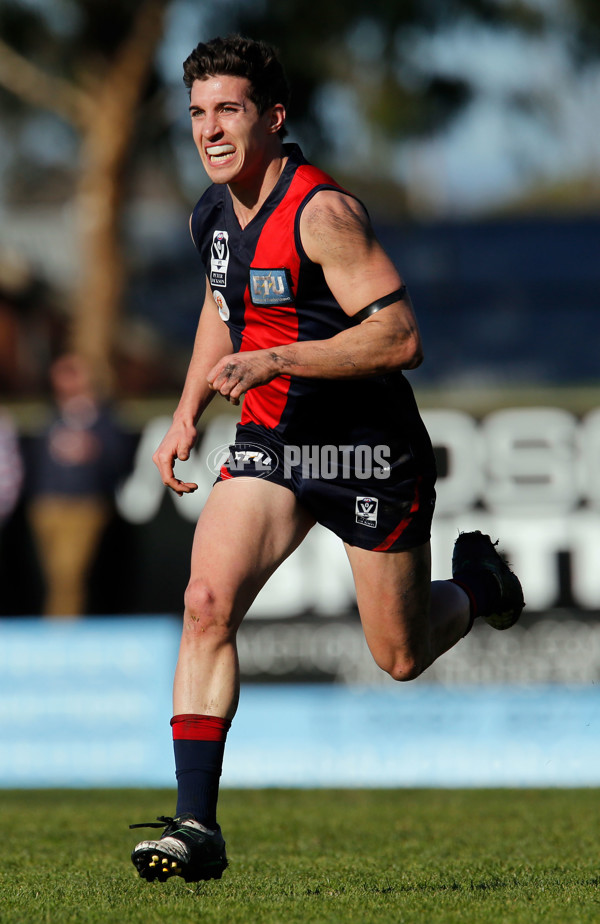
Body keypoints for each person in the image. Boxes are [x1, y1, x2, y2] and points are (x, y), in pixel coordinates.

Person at [130, 35, 524, 883]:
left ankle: (484, 588)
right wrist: (186, 411)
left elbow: (400, 335)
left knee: (401, 655)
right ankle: (197, 825)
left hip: (368, 451)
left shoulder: (324, 214)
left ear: (273, 118)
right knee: (205, 604)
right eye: (197, 112)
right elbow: (220, 304)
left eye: (228, 109)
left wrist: (276, 360)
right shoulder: (211, 212)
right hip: (272, 443)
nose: (209, 129)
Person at [27, 353, 132, 617]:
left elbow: (119, 458)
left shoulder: (104, 417)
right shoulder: (50, 415)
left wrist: (93, 450)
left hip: (84, 504)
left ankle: (61, 629)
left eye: (73, 373)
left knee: (69, 572)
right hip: (46, 504)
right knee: (54, 574)